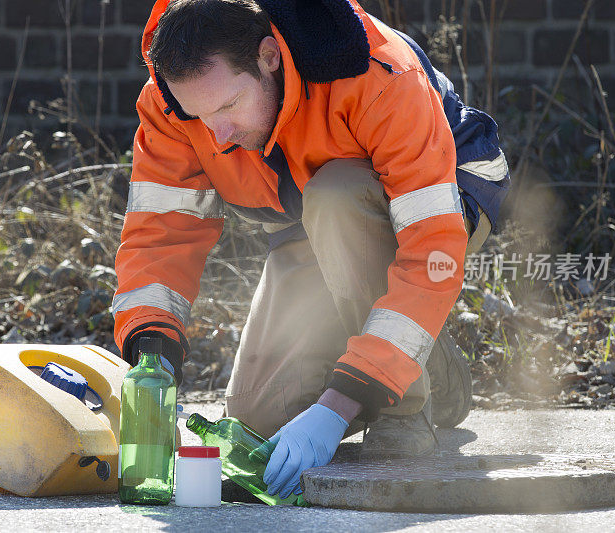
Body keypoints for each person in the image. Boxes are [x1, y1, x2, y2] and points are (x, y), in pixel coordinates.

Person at [111, 0, 510, 500]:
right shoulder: (176, 101)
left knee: (337, 195)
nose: (218, 136)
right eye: (199, 116)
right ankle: (429, 367)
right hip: (313, 216)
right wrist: (154, 361)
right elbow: (160, 236)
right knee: (258, 419)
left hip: (443, 195)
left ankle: (403, 405)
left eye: (229, 107)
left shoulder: (375, 71)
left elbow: (432, 249)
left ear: (269, 57)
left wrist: (339, 406)